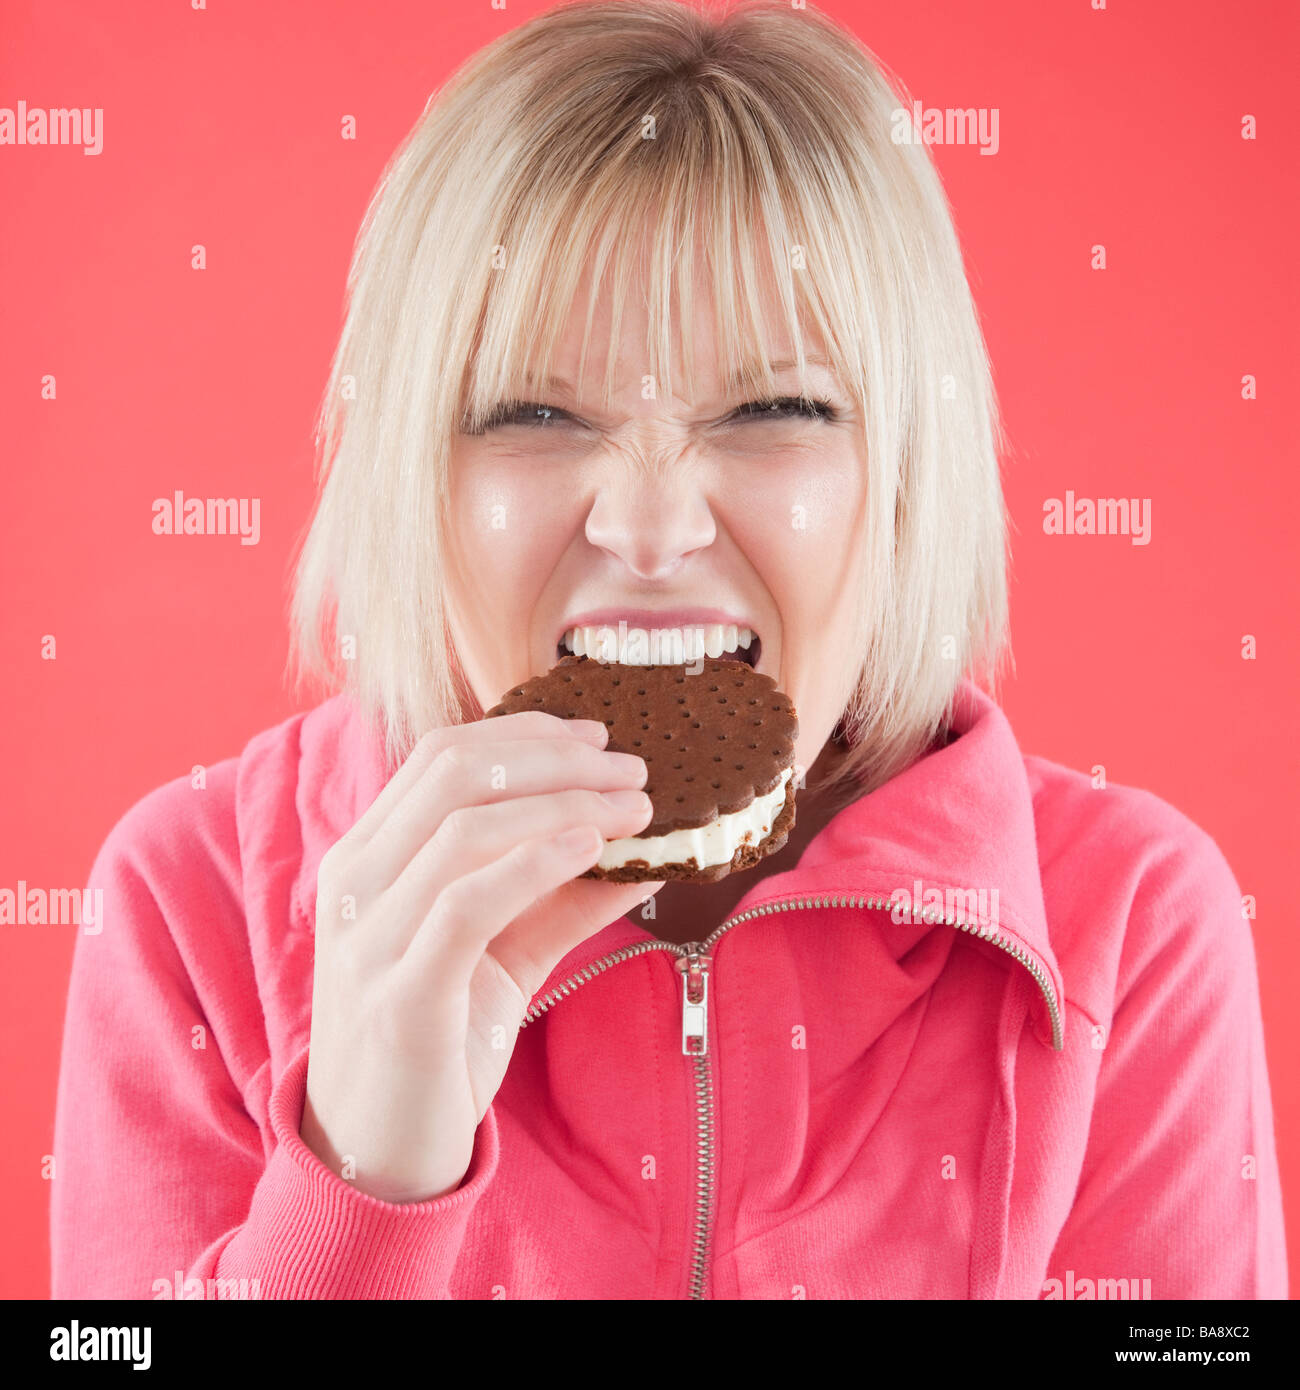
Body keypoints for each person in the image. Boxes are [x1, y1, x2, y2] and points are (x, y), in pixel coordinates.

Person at [51, 0, 1286, 1299]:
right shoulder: (194, 910)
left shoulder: (1128, 933)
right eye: (532, 410)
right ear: (407, 470)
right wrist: (362, 1180)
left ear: (908, 479)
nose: (648, 527)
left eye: (775, 408)